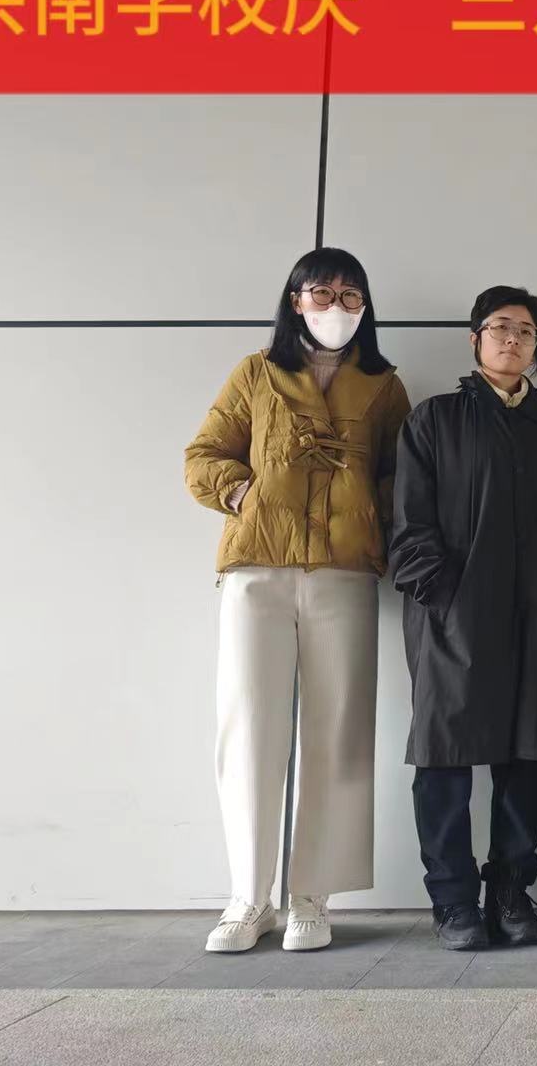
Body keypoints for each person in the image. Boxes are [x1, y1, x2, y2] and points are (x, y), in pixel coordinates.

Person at [185, 247, 410, 954]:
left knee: (338, 730)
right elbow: (202, 456)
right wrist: (243, 494)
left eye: (350, 295)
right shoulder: (257, 373)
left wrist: (373, 521)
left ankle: (313, 895)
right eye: (322, 292)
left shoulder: (383, 386)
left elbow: (403, 478)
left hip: (346, 573)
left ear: (365, 306)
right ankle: (248, 897)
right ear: (295, 300)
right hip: (257, 570)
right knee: (248, 727)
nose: (336, 306)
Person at [390, 286, 537, 951]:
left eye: (527, 332)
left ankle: (510, 890)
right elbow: (409, 521)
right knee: (444, 762)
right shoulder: (435, 419)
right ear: (475, 337)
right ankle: (453, 902)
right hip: (453, 617)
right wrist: (441, 594)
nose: (513, 339)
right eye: (501, 327)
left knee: (528, 758)